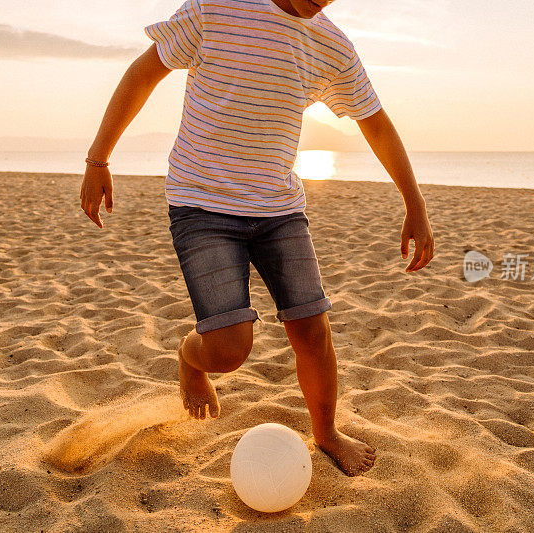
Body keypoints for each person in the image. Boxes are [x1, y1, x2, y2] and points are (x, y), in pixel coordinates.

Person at [79, 0, 434, 477]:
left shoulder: (331, 44)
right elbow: (143, 73)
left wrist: (415, 203)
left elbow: (375, 123)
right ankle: (190, 357)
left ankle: (327, 433)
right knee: (228, 351)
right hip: (202, 205)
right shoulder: (217, 7)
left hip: (279, 211)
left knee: (311, 330)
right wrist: (98, 159)